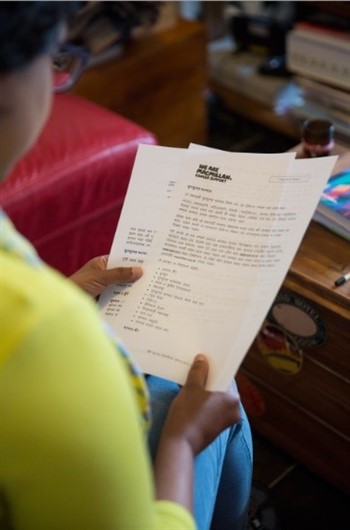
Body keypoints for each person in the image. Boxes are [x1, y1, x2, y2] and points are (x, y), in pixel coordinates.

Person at [0, 3, 253, 530]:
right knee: (210, 396)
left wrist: (64, 294)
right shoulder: (45, 331)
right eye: (56, 58)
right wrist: (183, 442)